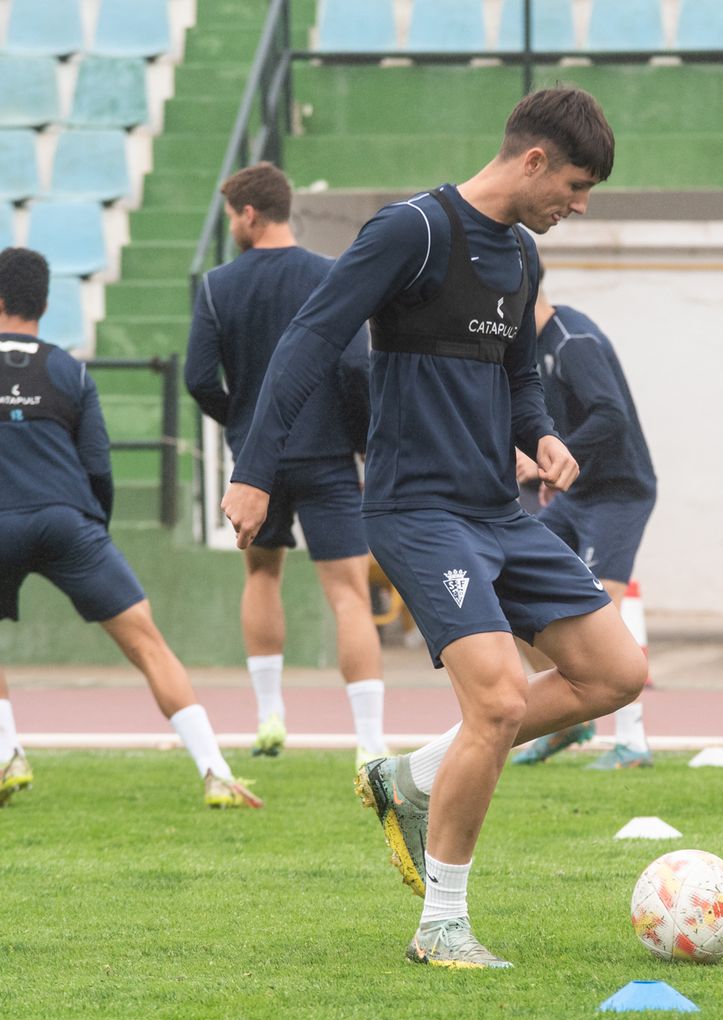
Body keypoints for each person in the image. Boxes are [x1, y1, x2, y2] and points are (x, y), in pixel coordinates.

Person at [221, 87, 646, 969]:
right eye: (575, 186)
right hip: (417, 512)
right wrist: (254, 472)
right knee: (497, 701)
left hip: (499, 512)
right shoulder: (411, 231)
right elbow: (308, 341)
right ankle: (441, 925)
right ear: (534, 161)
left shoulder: (521, 255)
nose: (579, 205)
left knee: (617, 673)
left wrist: (542, 435)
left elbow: (519, 375)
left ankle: (409, 776)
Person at [0, 248, 260, 811]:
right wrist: (95, 531)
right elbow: (98, 466)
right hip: (71, 522)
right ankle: (216, 772)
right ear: (45, 304)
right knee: (149, 644)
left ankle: (9, 756)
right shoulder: (71, 371)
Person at [185, 162, 386, 769]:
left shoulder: (217, 285)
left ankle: (270, 716)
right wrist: (359, 439)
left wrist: (242, 426)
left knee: (262, 576)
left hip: (258, 466)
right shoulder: (331, 275)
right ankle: (370, 740)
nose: (231, 226)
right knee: (349, 594)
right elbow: (356, 368)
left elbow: (198, 378)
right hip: (327, 457)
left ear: (249, 214)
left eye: (231, 216)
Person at [510, 263, 657, 770]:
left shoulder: (573, 340)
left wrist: (553, 457)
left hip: (618, 494)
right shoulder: (527, 348)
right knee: (509, 589)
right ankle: (568, 721)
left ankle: (633, 743)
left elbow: (611, 414)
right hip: (574, 497)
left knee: (601, 621)